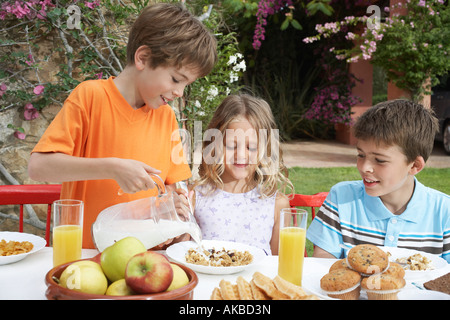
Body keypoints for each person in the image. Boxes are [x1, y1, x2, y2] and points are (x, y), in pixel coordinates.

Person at [27, 3, 217, 249]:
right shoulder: (89, 97)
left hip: (148, 261)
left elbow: (174, 187)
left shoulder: (167, 117)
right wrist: (113, 168)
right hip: (87, 258)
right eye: (176, 79)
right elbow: (39, 167)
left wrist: (177, 206)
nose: (180, 92)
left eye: (186, 84)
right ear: (143, 58)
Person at [307, 99, 450, 262]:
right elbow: (321, 265)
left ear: (415, 165)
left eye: (380, 160)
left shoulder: (444, 212)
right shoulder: (342, 198)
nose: (364, 167)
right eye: (361, 155)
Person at [191, 94, 293, 255]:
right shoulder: (194, 197)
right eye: (232, 145)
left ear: (265, 149)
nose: (241, 155)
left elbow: (278, 263)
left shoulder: (277, 204)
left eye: (251, 147)